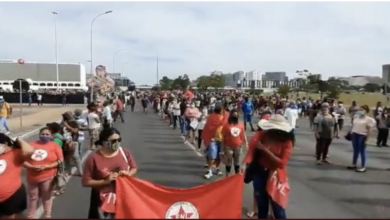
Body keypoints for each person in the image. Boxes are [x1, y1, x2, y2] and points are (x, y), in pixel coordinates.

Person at [242, 114, 294, 219]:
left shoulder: (287, 142)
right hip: (259, 172)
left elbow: (281, 163)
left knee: (277, 207)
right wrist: (245, 164)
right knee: (262, 205)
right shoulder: (261, 135)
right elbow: (251, 150)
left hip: (275, 175)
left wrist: (264, 150)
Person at [83, 127, 137, 219]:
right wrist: (105, 182)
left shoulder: (125, 152)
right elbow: (86, 181)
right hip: (101, 200)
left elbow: (133, 168)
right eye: (113, 140)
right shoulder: (93, 158)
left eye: (119, 139)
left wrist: (128, 174)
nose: (117, 143)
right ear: (104, 142)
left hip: (123, 195)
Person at [24, 127, 64, 219]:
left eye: (47, 134)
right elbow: (22, 160)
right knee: (33, 198)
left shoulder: (55, 146)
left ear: (51, 136)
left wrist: (48, 166)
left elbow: (60, 160)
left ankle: (47, 215)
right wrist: (31, 167)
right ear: (39, 135)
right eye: (42, 134)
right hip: (32, 178)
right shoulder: (31, 145)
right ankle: (31, 216)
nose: (44, 136)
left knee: (47, 197)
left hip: (48, 177)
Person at [0, 134, 34, 219]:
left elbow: (29, 151)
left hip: (12, 196)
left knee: (11, 217)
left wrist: (19, 139)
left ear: (5, 143)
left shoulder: (16, 153)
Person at [348, 105, 375, 172]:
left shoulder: (369, 120)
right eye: (359, 110)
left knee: (362, 151)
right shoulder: (356, 117)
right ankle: (354, 164)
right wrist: (351, 132)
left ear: (366, 111)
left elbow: (369, 130)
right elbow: (353, 126)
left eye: (362, 110)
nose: (360, 111)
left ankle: (363, 166)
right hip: (354, 134)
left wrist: (366, 140)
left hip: (362, 135)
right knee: (355, 150)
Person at [221, 109, 248, 177]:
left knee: (237, 162)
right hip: (228, 146)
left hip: (238, 146)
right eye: (233, 115)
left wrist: (246, 143)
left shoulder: (241, 124)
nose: (235, 117)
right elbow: (223, 137)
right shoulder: (226, 125)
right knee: (229, 162)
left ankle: (237, 177)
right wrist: (222, 149)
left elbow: (243, 134)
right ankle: (227, 176)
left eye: (236, 115)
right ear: (230, 116)